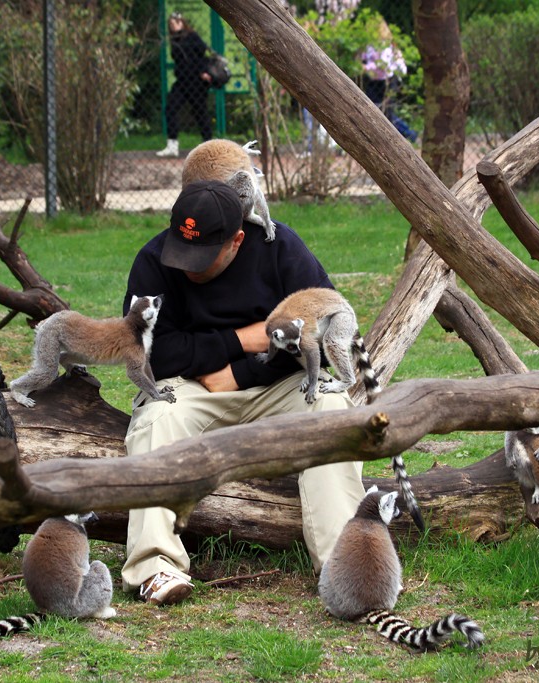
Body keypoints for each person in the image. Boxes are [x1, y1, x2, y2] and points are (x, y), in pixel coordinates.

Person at [120, 179, 366, 605]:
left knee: (331, 408)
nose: (188, 266)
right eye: (182, 250)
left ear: (237, 240)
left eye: (202, 256)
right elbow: (152, 353)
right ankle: (154, 567)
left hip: (278, 383)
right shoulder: (153, 259)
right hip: (193, 387)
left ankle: (346, 568)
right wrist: (242, 339)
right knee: (157, 419)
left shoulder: (281, 248)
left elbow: (318, 343)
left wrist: (238, 372)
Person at [156, 12, 213, 158]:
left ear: (182, 22)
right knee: (171, 108)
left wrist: (203, 71)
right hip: (182, 82)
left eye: (176, 22)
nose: (173, 26)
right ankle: (172, 145)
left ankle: (209, 146)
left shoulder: (192, 36)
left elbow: (202, 53)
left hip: (196, 82)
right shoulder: (174, 40)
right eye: (171, 24)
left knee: (200, 112)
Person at [359, 21, 418, 144]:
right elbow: (363, 57)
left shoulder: (386, 46)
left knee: (387, 112)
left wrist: (367, 67)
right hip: (373, 82)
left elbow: (383, 65)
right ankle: (406, 134)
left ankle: (407, 134)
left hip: (387, 82)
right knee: (372, 109)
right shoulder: (370, 45)